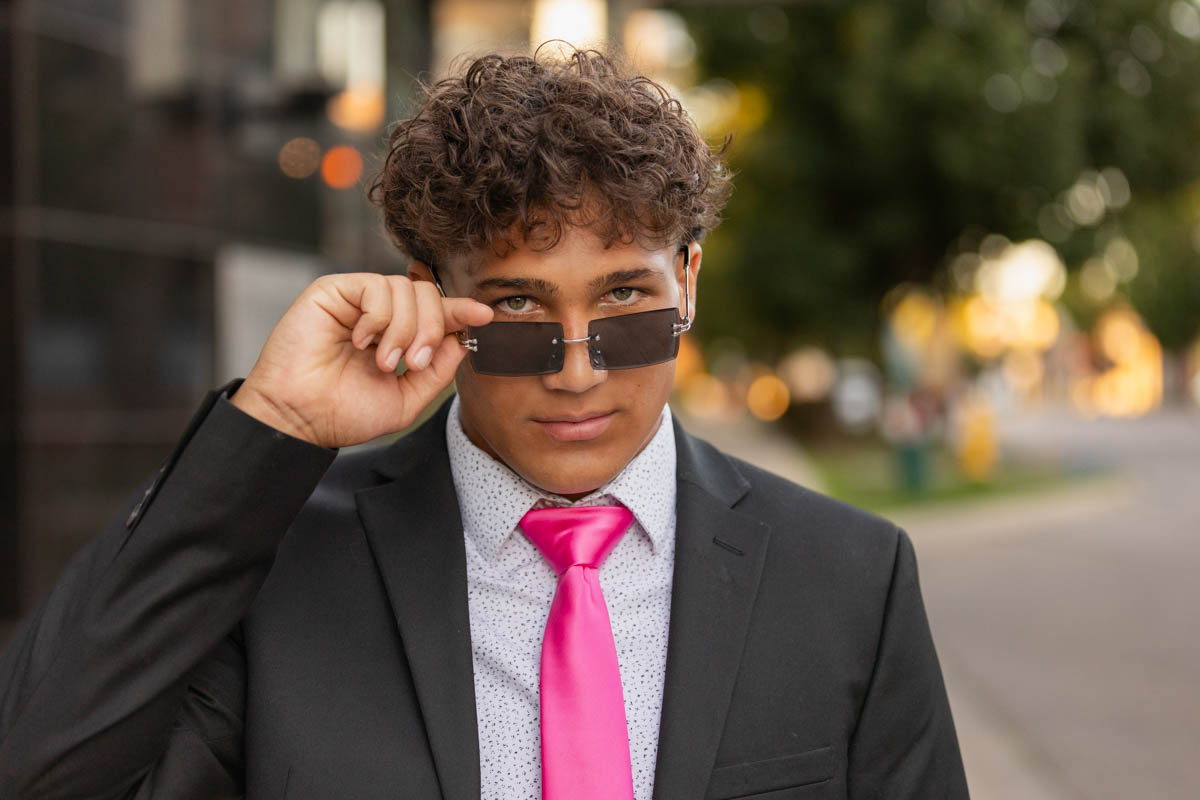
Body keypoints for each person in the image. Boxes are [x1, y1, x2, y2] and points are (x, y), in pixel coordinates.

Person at [0, 45, 969, 799]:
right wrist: (276, 420)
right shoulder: (282, 561)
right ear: (432, 298)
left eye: (627, 301)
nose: (581, 369)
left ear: (690, 282)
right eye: (518, 313)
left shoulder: (850, 576)